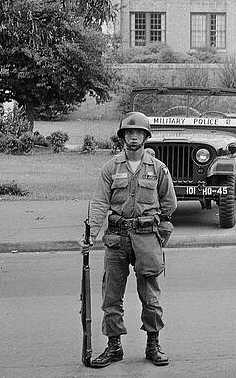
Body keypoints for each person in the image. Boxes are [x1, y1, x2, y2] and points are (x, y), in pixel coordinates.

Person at [80, 113, 177, 367]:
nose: (133, 137)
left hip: (146, 238)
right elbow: (101, 202)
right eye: (128, 133)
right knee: (111, 296)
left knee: (150, 295)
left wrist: (161, 231)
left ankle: (153, 344)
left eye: (138, 133)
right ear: (122, 136)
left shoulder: (157, 168)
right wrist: (90, 236)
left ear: (146, 137)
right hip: (116, 238)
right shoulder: (110, 168)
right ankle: (114, 347)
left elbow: (169, 203)